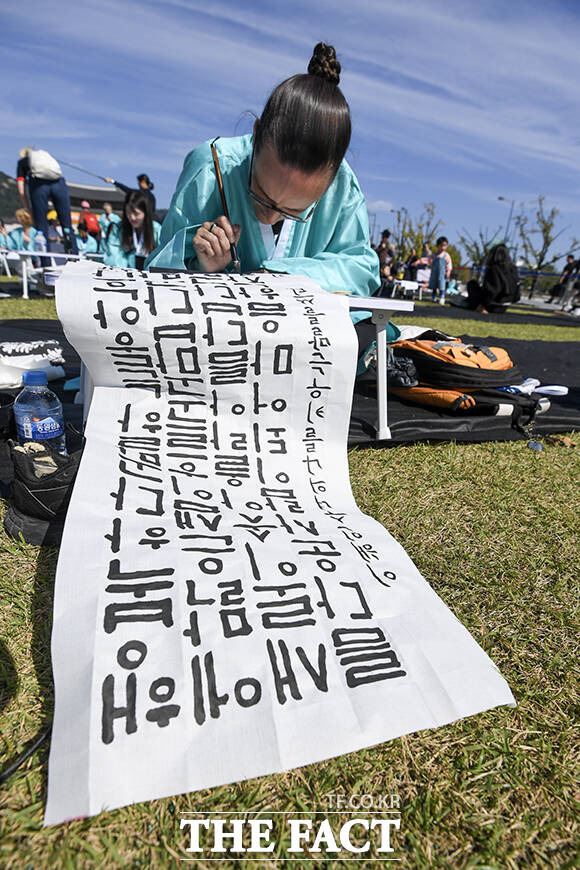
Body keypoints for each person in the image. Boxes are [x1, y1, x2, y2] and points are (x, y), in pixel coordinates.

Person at [145, 43, 380, 344]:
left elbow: (361, 267)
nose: (270, 216)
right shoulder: (211, 165)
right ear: (256, 133)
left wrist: (283, 275)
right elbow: (157, 272)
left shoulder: (342, 185)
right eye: (260, 194)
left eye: (293, 212)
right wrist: (201, 265)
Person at [16, 147, 78, 254]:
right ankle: (74, 256)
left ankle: (46, 261)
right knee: (67, 226)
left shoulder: (22, 162)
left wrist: (28, 208)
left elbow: (21, 190)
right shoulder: (47, 158)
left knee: (41, 226)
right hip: (59, 183)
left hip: (39, 185)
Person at [103, 189, 161, 269]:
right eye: (128, 213)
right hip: (125, 274)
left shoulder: (157, 230)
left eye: (136, 213)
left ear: (145, 212)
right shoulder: (118, 229)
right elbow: (113, 255)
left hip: (150, 276)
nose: (132, 218)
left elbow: (163, 256)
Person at [466, 243, 520, 313]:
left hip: (492, 305)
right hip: (504, 306)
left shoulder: (494, 269)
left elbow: (493, 290)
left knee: (472, 284)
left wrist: (483, 305)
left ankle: (475, 305)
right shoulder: (513, 269)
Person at [428, 236, 452, 305]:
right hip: (434, 273)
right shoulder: (434, 255)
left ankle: (442, 297)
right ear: (437, 246)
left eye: (445, 245)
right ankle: (433, 297)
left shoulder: (446, 255)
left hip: (442, 273)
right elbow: (428, 260)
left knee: (442, 285)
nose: (443, 247)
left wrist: (448, 271)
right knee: (434, 285)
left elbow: (449, 264)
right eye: (441, 245)